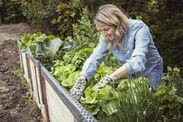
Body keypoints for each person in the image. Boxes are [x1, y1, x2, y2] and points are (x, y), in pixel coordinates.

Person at [69, 4, 163, 101]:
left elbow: (138, 60)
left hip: (151, 69)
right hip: (132, 72)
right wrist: (82, 78)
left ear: (117, 23)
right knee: (136, 101)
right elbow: (95, 57)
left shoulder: (139, 28)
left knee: (150, 101)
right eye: (100, 30)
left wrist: (110, 78)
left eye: (106, 29)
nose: (103, 34)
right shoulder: (106, 36)